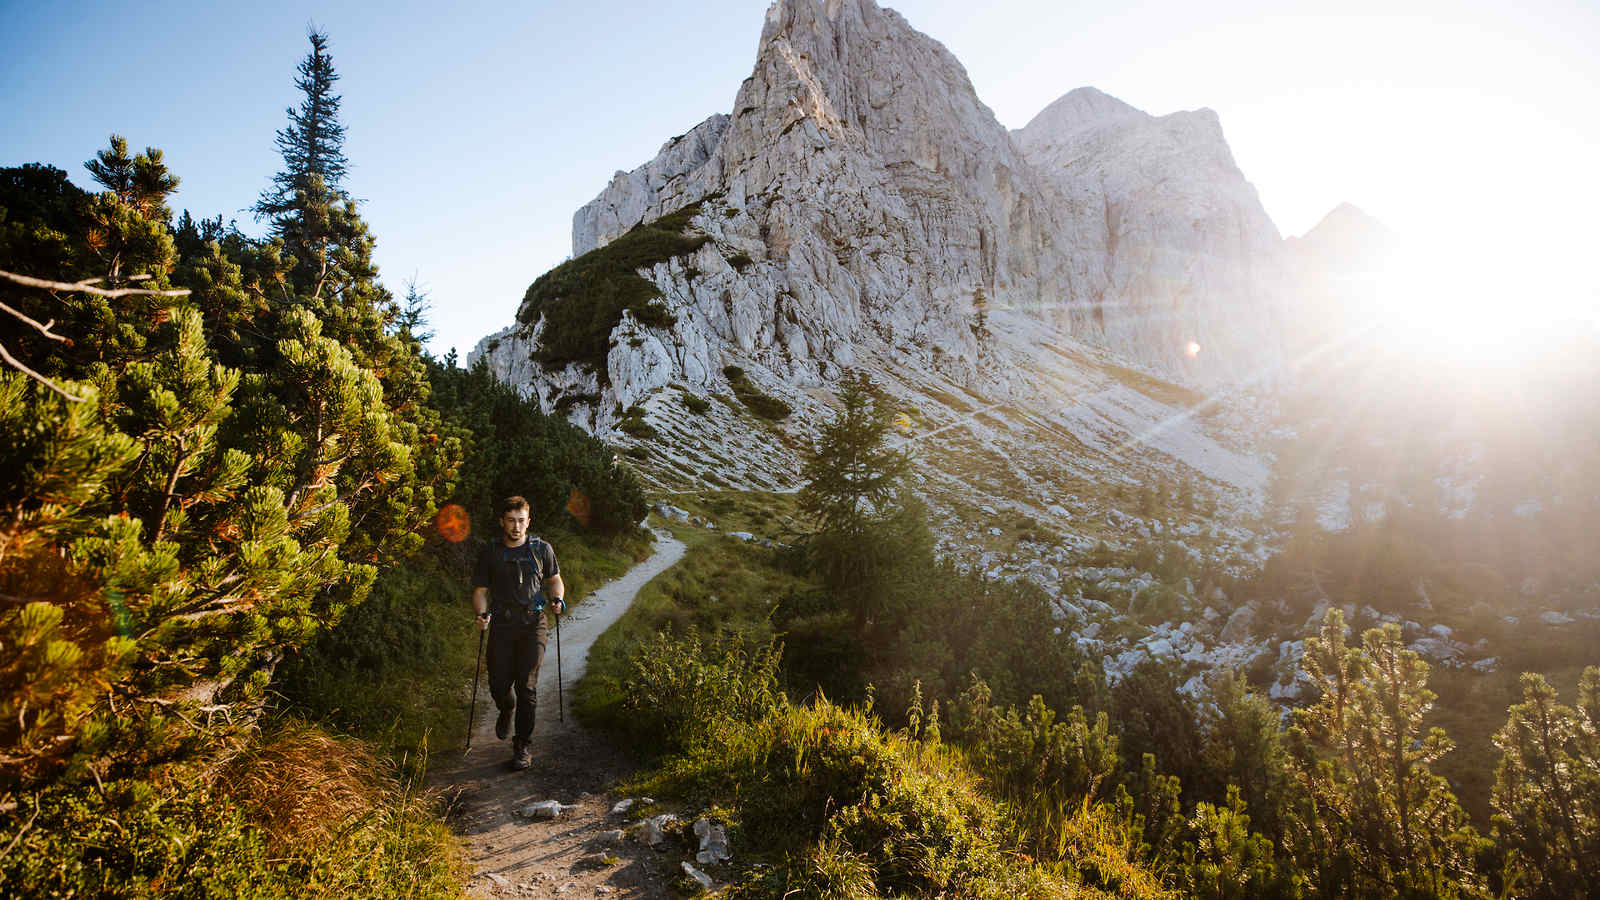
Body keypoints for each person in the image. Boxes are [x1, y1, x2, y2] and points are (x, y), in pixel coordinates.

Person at [472, 495, 564, 770]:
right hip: (501, 625)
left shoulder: (541, 549)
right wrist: (481, 614)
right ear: (502, 521)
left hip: (533, 624)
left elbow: (555, 580)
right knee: (499, 685)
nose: (516, 527)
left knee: (527, 686)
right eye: (511, 521)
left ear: (528, 521)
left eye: (521, 521)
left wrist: (557, 599)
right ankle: (506, 707)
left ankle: (522, 745)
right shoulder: (491, 551)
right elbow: (479, 591)